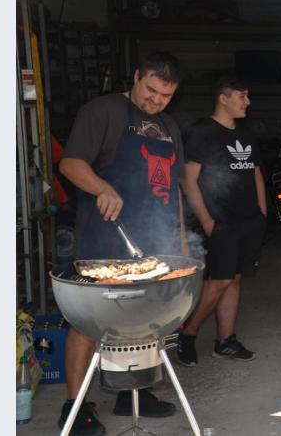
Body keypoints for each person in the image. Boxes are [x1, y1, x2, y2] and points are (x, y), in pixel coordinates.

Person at [59, 51, 187, 435]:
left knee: (146, 318)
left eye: (165, 95)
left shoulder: (169, 127)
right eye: (151, 90)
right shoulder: (103, 111)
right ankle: (74, 406)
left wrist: (181, 236)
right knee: (88, 320)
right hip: (103, 238)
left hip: (153, 238)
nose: (156, 101)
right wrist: (103, 187)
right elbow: (70, 164)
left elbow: (176, 187)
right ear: (136, 77)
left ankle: (134, 392)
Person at [177, 76, 267, 366]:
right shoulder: (202, 133)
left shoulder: (247, 133)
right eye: (242, 96)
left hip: (249, 220)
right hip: (220, 221)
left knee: (235, 279)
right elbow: (188, 180)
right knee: (220, 280)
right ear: (223, 98)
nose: (247, 102)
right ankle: (187, 335)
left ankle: (225, 340)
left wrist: (262, 213)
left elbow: (255, 173)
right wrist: (206, 220)